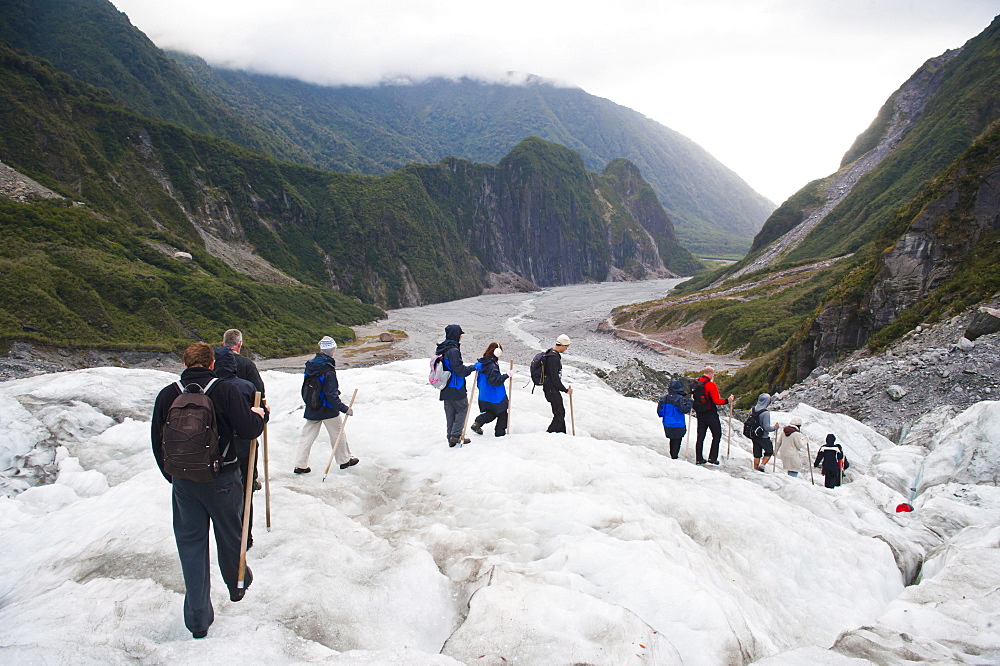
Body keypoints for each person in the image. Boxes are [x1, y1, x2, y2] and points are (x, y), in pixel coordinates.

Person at [151, 342, 268, 639]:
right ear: (212, 364)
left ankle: (198, 619)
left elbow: (157, 441)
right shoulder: (225, 390)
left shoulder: (168, 393)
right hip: (222, 479)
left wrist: (174, 477)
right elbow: (249, 430)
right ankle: (236, 584)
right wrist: (260, 414)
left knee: (191, 547)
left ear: (185, 363)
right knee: (230, 533)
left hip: (184, 483)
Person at [214, 345, 261, 547]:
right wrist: (262, 415)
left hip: (214, 451)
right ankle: (245, 537)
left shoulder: (206, 387)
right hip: (242, 448)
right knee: (244, 493)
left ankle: (225, 538)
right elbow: (251, 424)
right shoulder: (244, 387)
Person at [294, 336, 358, 473]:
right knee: (338, 433)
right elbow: (331, 394)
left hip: (312, 405)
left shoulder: (310, 365)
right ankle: (344, 460)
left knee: (307, 436)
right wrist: (344, 408)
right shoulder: (328, 369)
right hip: (328, 408)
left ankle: (300, 465)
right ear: (332, 350)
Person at [435, 324, 478, 447]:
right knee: (463, 408)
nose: (461, 337)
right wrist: (473, 367)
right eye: (460, 334)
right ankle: (456, 436)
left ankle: (451, 438)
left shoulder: (443, 348)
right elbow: (459, 370)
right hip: (455, 385)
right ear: (456, 335)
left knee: (450, 412)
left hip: (445, 385)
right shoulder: (453, 350)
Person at [692, 367, 734, 465]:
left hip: (699, 413)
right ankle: (712, 458)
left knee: (700, 436)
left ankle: (699, 458)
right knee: (717, 434)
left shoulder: (696, 383)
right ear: (710, 373)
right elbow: (716, 401)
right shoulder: (710, 385)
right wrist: (728, 400)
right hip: (710, 413)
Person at [470, 342, 511, 437]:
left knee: (491, 413)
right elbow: (495, 381)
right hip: (496, 397)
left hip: (484, 395)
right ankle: (500, 435)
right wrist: (506, 375)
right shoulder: (492, 365)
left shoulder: (482, 362)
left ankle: (478, 422)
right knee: (502, 415)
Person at [542, 334, 574, 433]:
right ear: (562, 345)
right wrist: (565, 390)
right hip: (551, 389)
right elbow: (555, 378)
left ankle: (562, 434)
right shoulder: (553, 358)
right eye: (566, 346)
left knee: (559, 412)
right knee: (559, 413)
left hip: (550, 388)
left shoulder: (550, 353)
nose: (566, 349)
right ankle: (549, 433)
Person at [222, 329, 264, 397]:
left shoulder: (213, 362)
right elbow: (259, 391)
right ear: (240, 344)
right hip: (242, 404)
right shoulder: (247, 364)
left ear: (223, 344)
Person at [657, 379, 692, 459]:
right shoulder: (680, 398)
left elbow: (660, 412)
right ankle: (674, 457)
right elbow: (684, 410)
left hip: (667, 423)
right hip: (678, 423)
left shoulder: (664, 398)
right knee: (677, 441)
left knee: (672, 440)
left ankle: (673, 456)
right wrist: (690, 402)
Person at [749, 393, 779, 472]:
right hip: (763, 436)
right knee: (769, 451)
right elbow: (767, 427)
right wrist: (775, 427)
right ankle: (762, 466)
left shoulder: (752, 410)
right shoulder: (765, 413)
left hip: (754, 435)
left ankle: (755, 469)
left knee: (757, 453)